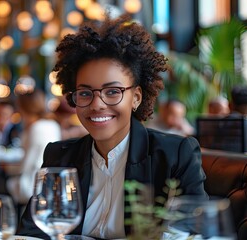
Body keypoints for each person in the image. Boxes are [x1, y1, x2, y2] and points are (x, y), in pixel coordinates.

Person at [17, 14, 207, 239]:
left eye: (112, 92)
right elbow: (32, 231)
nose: (97, 105)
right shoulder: (59, 157)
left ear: (136, 97)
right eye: (85, 93)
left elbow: (193, 231)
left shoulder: (174, 155)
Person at [5, 88, 61, 204]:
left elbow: (27, 166)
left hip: (31, 187)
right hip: (50, 186)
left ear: (23, 108)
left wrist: (8, 168)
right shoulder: (53, 125)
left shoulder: (35, 128)